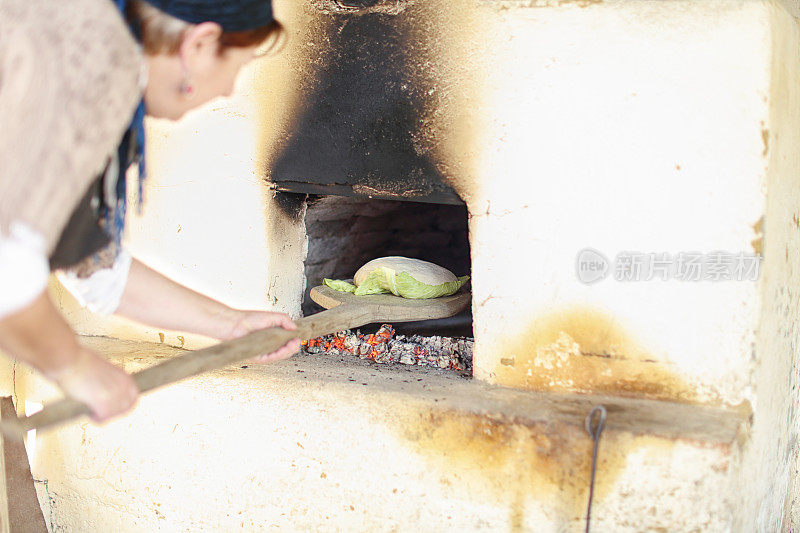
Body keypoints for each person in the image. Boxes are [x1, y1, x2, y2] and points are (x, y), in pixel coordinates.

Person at [0, 0, 300, 423]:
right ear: (200, 43)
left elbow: (92, 266)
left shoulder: (84, 35)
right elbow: (8, 267)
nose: (231, 89)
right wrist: (75, 367)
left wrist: (230, 324)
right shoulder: (90, 65)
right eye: (237, 65)